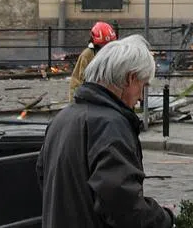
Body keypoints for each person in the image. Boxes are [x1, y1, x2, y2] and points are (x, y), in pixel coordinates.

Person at [38, 34, 174, 228]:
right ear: (130, 78)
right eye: (143, 85)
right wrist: (164, 218)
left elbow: (44, 180)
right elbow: (122, 206)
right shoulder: (111, 125)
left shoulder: (61, 118)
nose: (141, 98)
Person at [69, 21, 117, 100]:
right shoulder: (87, 55)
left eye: (109, 45)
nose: (106, 49)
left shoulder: (115, 54)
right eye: (103, 45)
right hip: (91, 96)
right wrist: (75, 101)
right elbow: (77, 81)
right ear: (96, 44)